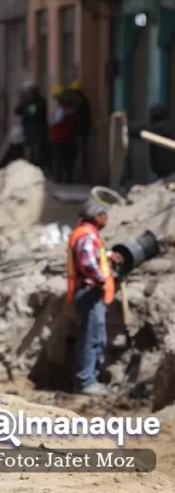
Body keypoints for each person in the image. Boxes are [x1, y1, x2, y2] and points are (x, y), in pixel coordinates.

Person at [67, 198, 122, 396]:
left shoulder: (86, 233)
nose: (106, 218)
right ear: (96, 216)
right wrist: (102, 280)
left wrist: (108, 254)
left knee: (95, 337)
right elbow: (87, 263)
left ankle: (90, 378)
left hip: (89, 293)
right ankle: (85, 381)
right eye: (104, 214)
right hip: (89, 293)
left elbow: (92, 254)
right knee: (91, 338)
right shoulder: (87, 235)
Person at [129, 104, 175, 179]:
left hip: (169, 176)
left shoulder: (160, 128)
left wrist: (125, 127)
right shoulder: (169, 127)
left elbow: (140, 131)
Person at [16, 82, 49, 170]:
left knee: (37, 151)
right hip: (28, 130)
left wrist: (26, 107)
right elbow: (17, 111)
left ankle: (38, 167)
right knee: (29, 150)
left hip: (38, 130)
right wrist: (22, 101)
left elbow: (34, 113)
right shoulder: (27, 102)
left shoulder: (39, 101)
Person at [49, 84, 77, 183]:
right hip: (69, 137)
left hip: (60, 138)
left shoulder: (62, 110)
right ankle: (67, 178)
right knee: (68, 159)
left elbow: (56, 121)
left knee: (59, 159)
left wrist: (51, 120)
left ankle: (59, 178)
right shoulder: (72, 110)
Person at [70, 80, 93, 182]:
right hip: (80, 132)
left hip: (81, 133)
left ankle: (83, 176)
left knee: (81, 154)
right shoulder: (80, 103)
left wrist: (79, 132)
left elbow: (82, 120)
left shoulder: (81, 103)